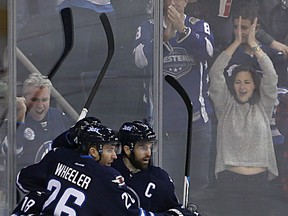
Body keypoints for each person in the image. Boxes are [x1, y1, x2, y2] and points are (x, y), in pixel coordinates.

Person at [133, 0, 215, 202]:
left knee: (198, 187)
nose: (174, 2)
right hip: (164, 126)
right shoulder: (148, 26)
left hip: (196, 124)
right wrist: (164, 38)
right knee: (164, 184)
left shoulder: (198, 25)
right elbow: (138, 59)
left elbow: (208, 50)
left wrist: (182, 29)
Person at [12, 119, 167, 216]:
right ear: (93, 152)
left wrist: (70, 135)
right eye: (109, 149)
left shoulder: (59, 156)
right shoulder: (106, 177)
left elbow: (21, 181)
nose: (114, 156)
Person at [208, 13, 279, 216]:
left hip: (259, 183)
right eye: (238, 82)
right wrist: (237, 42)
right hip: (230, 183)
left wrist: (254, 44)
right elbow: (215, 73)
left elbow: (272, 76)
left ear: (254, 85)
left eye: (247, 82)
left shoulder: (263, 107)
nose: (242, 86)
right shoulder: (225, 105)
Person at [112, 120, 199, 215]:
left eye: (151, 147)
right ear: (127, 150)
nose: (149, 153)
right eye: (143, 147)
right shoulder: (109, 171)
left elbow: (174, 210)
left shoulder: (159, 178)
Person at [1, 73, 72, 172]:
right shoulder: (13, 120)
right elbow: (11, 153)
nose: (40, 105)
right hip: (27, 184)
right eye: (34, 99)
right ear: (23, 98)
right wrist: (21, 114)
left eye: (44, 100)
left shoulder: (58, 116)